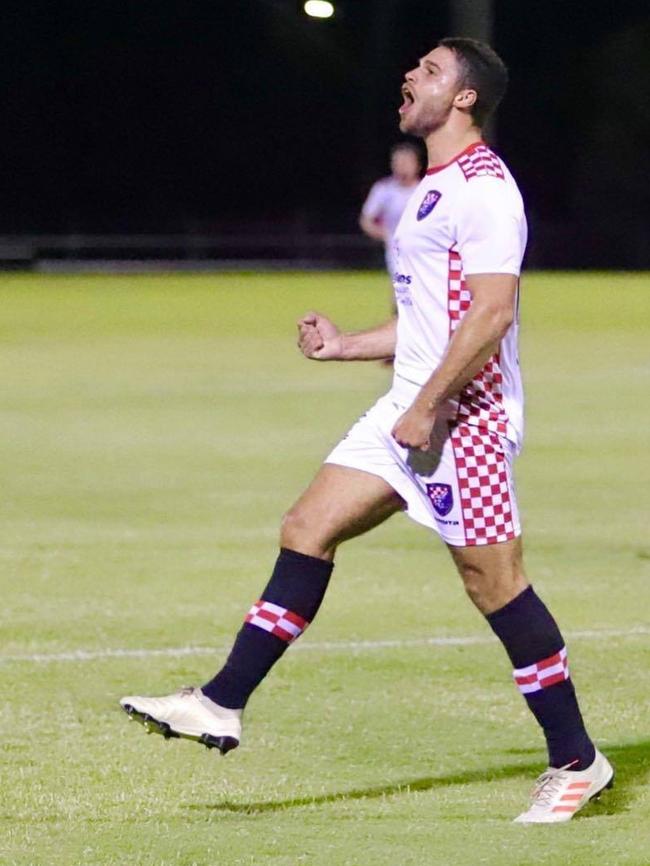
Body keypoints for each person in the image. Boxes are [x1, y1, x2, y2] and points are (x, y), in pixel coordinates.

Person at [121, 37, 613, 824]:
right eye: (413, 67)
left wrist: (428, 406)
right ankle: (220, 702)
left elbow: (491, 315)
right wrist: (347, 345)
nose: (409, 77)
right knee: (307, 527)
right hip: (410, 409)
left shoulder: (486, 190)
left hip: (466, 419)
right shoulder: (430, 189)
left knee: (496, 584)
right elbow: (426, 321)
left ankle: (578, 761)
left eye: (428, 71)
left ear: (464, 98)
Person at [359, 142, 422, 284]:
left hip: (424, 248)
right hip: (396, 250)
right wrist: (386, 235)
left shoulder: (426, 190)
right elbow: (366, 220)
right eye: (398, 162)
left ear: (417, 164)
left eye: (406, 162)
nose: (402, 166)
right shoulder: (384, 189)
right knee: (401, 289)